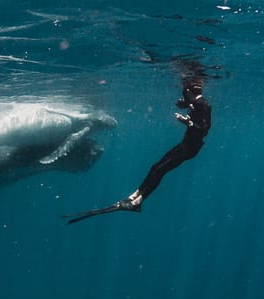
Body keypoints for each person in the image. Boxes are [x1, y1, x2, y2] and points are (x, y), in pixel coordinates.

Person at [65, 78, 211, 225]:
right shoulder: (197, 103)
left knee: (161, 170)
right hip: (187, 145)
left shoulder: (203, 104)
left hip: (191, 148)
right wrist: (183, 106)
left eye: (184, 93)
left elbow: (204, 128)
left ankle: (138, 201)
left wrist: (188, 123)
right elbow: (192, 110)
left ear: (187, 91)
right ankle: (135, 195)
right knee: (156, 167)